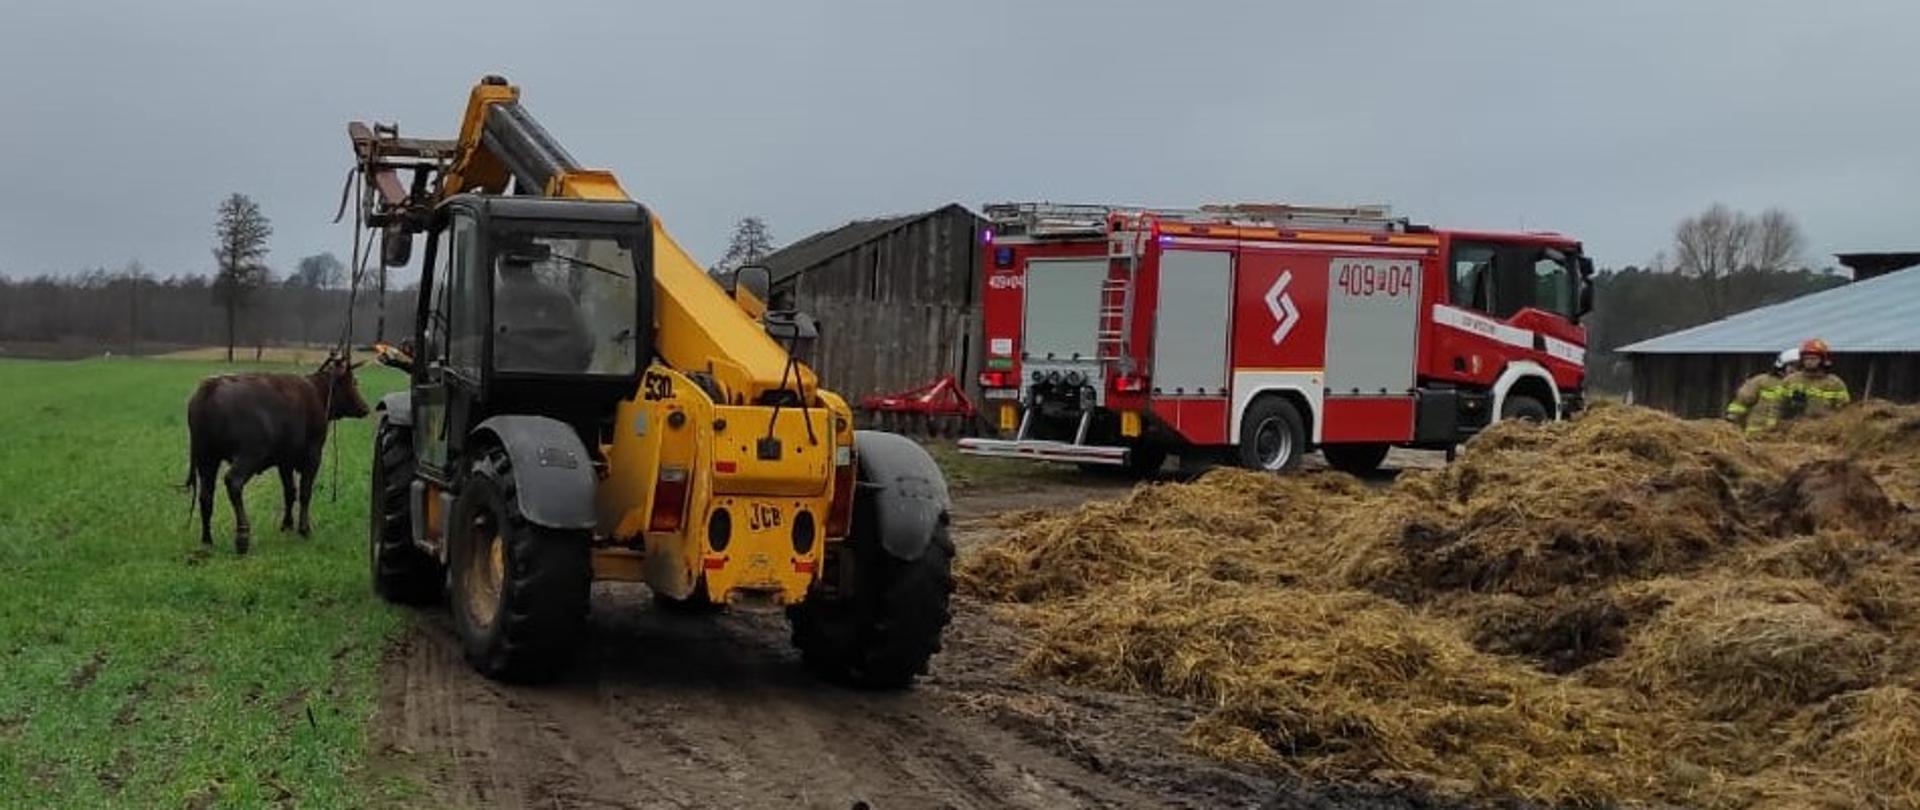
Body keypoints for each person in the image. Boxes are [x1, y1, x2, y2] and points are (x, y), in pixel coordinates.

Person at [1725, 348, 1796, 433]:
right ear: (1781, 365)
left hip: (1786, 434)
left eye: (1799, 366)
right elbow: (1742, 401)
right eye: (1792, 365)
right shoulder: (1762, 381)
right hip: (1756, 431)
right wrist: (1732, 418)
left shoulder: (1802, 386)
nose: (1794, 369)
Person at [1778, 337, 1851, 420]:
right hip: (1796, 425)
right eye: (1806, 358)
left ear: (1823, 360)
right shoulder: (1790, 380)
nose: (1809, 362)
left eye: (1813, 358)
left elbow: (1844, 410)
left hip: (1825, 426)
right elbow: (1778, 406)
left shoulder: (1835, 383)